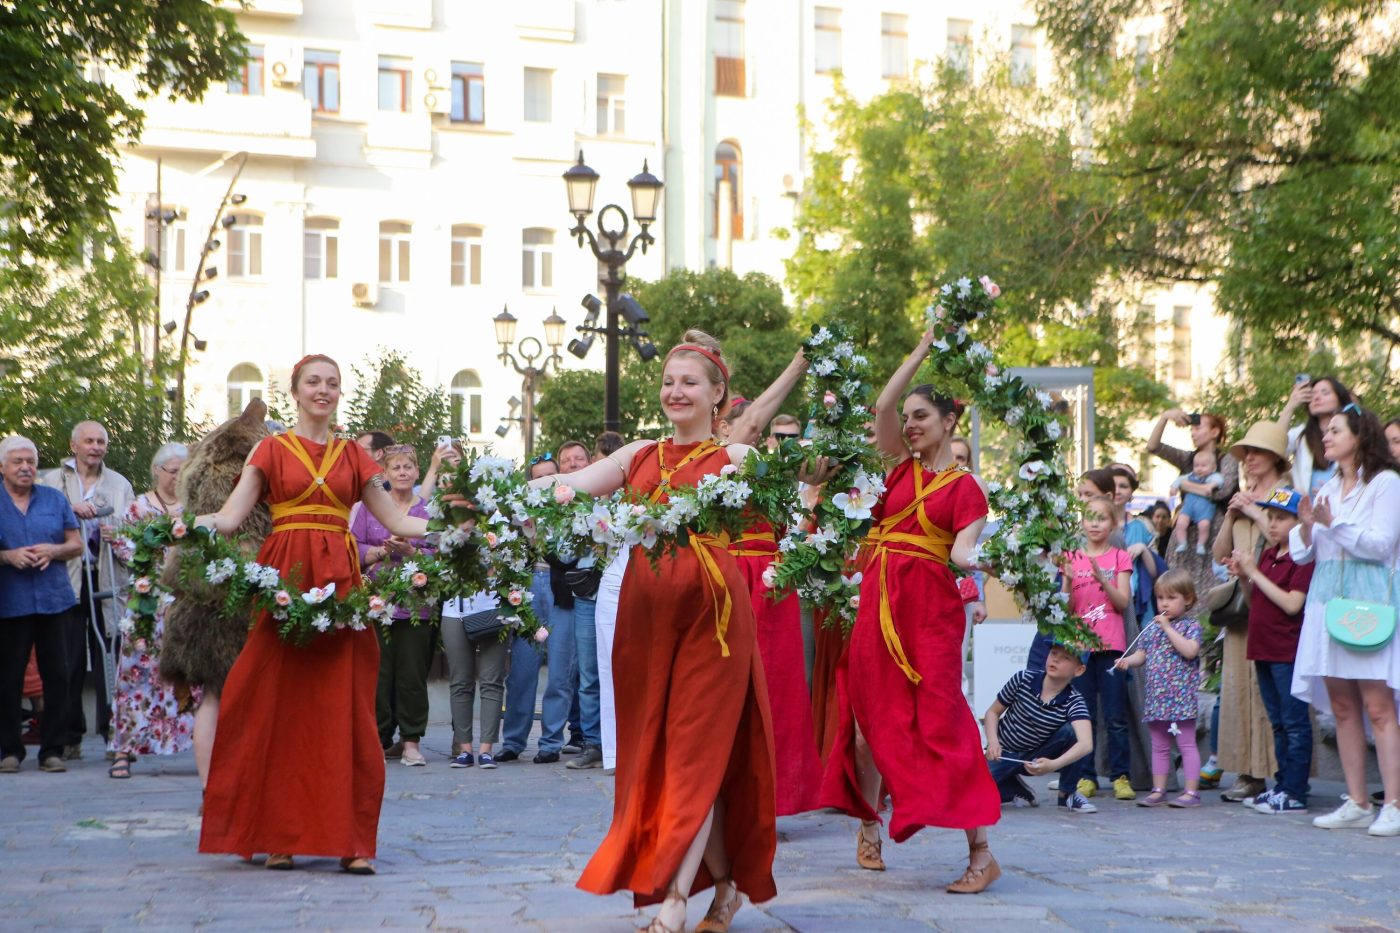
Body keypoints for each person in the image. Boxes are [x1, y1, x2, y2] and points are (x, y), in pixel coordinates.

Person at [531, 330, 777, 933]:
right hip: (645, 622)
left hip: (713, 624)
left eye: (690, 382)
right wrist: (494, 496)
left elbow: (801, 494)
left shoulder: (738, 461)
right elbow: (568, 487)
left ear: (718, 394)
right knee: (665, 758)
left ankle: (673, 901)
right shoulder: (638, 455)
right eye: (669, 381)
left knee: (694, 755)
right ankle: (723, 886)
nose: (675, 391)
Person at [195, 354, 439, 874]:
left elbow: (396, 518)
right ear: (296, 391)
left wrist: (453, 526)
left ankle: (352, 841)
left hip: (343, 589)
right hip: (285, 583)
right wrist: (185, 523)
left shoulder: (354, 455)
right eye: (313, 382)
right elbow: (231, 515)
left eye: (331, 383)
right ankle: (279, 835)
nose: (323, 391)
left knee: (344, 709)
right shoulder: (270, 448)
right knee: (275, 705)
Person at [820, 323, 1002, 896]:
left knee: (943, 726)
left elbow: (961, 550)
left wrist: (991, 564)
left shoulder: (967, 487)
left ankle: (981, 853)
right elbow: (883, 403)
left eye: (923, 416)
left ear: (950, 422)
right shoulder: (896, 464)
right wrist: (921, 345)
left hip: (928, 615)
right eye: (909, 418)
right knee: (869, 720)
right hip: (878, 603)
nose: (910, 424)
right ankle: (870, 828)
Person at [1289, 403, 1400, 836]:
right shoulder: (1327, 486)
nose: (1327, 436)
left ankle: (1391, 802)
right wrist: (1304, 526)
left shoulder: (1386, 483)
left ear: (1360, 435)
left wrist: (1333, 525)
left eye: (1336, 430)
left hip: (1368, 603)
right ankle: (1356, 800)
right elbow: (1305, 551)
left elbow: (1380, 544)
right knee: (1341, 707)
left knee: (1377, 705)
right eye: (1326, 431)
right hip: (1326, 602)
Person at [1208, 421, 1291, 803]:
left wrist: (1256, 512)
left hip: (1276, 601)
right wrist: (1230, 514)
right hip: (1242, 606)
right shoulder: (1242, 495)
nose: (1250, 459)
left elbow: (1288, 538)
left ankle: (1278, 772)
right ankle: (1246, 772)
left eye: (1257, 452)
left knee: (1268, 691)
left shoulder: (1284, 493)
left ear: (1275, 456)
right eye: (1246, 453)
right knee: (1239, 688)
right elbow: (1218, 553)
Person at [43, 420, 134, 759]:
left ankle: (113, 732)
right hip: (66, 575)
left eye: (101, 442)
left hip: (106, 573)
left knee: (109, 649)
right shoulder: (52, 480)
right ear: (74, 446)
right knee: (68, 655)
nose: (96, 447)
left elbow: (133, 527)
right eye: (89, 441)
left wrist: (118, 533)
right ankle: (70, 734)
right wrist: (70, 510)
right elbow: (40, 520)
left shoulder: (119, 484)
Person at [108, 442, 197, 779]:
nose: (177, 478)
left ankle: (204, 744)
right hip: (149, 602)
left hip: (186, 600)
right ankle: (124, 748)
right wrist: (156, 551)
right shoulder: (138, 506)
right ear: (157, 471)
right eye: (172, 471)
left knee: (193, 674)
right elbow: (123, 544)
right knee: (136, 671)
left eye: (182, 472)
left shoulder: (195, 508)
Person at [1225, 488, 1315, 813]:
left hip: (1287, 651)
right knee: (1277, 722)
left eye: (1281, 518)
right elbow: (1254, 604)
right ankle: (1283, 785)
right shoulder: (1268, 554)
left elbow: (1292, 604)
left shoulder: (1304, 557)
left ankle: (1295, 791)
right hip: (1262, 648)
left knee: (1294, 723)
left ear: (1298, 520)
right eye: (1271, 517)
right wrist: (1246, 580)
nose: (1273, 524)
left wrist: (1254, 574)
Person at [0, 435, 81, 774]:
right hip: (9, 603)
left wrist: (53, 550)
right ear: (2, 466)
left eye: (30, 461)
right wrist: (7, 556)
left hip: (54, 599)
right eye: (17, 461)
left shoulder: (53, 498)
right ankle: (9, 751)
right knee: (7, 678)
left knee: (58, 676)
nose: (25, 467)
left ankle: (52, 750)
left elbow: (75, 543)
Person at [351, 444, 434, 767]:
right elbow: (353, 545)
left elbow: (442, 552)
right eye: (395, 468)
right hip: (377, 601)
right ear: (384, 474)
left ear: (416, 472)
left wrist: (413, 553)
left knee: (412, 674)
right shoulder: (372, 508)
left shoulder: (427, 511)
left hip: (416, 604)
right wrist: (376, 553)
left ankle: (411, 741)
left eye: (407, 468)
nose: (401, 473)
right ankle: (378, 739)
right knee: (377, 674)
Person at [498, 453, 577, 764]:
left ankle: (550, 744)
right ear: (530, 483)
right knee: (522, 669)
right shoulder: (517, 513)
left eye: (550, 477)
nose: (545, 483)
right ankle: (514, 741)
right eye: (538, 478)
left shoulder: (572, 509)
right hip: (528, 587)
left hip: (561, 590)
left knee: (560, 671)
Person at [1062, 496, 1134, 802]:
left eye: (1102, 518)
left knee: (1116, 716)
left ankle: (1121, 776)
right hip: (1080, 648)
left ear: (1113, 523)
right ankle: (1085, 776)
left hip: (1111, 648)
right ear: (1082, 522)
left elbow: (1123, 602)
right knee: (1084, 715)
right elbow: (1065, 609)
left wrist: (1102, 578)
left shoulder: (1120, 557)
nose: (1095, 523)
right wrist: (1066, 582)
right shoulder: (1071, 556)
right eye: (1089, 517)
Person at [1115, 570, 1204, 808]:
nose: (1164, 603)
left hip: (1181, 697)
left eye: (1171, 597)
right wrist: (1127, 661)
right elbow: (1142, 655)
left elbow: (1190, 651)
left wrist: (1167, 627)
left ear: (1187, 599)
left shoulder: (1190, 626)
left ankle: (1191, 792)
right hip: (1157, 697)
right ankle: (1158, 789)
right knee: (1159, 746)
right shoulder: (1151, 629)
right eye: (1160, 598)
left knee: (1186, 744)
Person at [983, 644, 1095, 812]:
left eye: (1066, 658)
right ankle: (1012, 787)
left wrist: (1053, 765)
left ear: (1078, 670)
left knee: (1072, 733)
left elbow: (1086, 744)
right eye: (1054, 653)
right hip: (1003, 753)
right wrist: (993, 742)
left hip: (1036, 757)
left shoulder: (1074, 700)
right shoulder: (1023, 678)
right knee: (969, 793)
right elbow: (992, 712)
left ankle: (1067, 794)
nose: (1056, 659)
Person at [1146, 408, 1238, 597]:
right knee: (1178, 591)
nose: (1193, 433)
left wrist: (1185, 485)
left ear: (1215, 432)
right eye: (1191, 429)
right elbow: (1153, 446)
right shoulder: (1188, 458)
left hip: (1215, 534)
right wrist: (1164, 417)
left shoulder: (1228, 459)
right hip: (1185, 536)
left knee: (1211, 593)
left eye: (1198, 428)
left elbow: (1222, 491)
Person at [442, 591, 508, 770]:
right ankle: (465, 750)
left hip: (495, 608)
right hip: (455, 611)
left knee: (492, 681)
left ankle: (486, 750)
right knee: (460, 682)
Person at [1277, 377, 1353, 497]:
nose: (1317, 398)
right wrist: (1290, 405)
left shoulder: (1353, 433)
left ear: (1340, 399)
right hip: (1302, 511)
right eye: (1312, 395)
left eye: (1325, 393)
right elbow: (1274, 446)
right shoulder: (1300, 434)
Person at [1169, 449, 1224, 555]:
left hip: (1204, 509)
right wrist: (1174, 487)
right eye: (1196, 466)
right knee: (1181, 523)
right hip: (1188, 508)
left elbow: (1220, 480)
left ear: (1213, 468)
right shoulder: (1190, 476)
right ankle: (1182, 543)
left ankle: (1201, 544)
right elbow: (1179, 479)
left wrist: (1211, 485)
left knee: (1204, 525)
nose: (1199, 469)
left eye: (1203, 466)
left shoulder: (1212, 477)